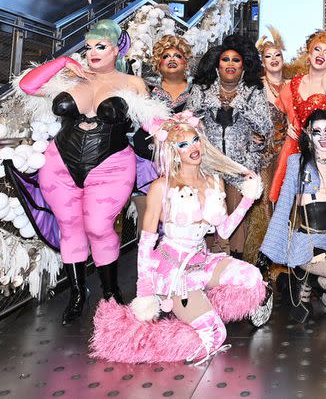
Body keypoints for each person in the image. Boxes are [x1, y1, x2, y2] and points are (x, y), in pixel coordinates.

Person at [14, 19, 169, 325]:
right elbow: (27, 85)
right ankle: (77, 292)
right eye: (87, 47)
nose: (92, 52)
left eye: (101, 46)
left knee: (98, 227)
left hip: (111, 166)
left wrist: (179, 133)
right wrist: (62, 61)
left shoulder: (132, 83)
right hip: (60, 165)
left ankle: (110, 293)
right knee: (70, 228)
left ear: (117, 49)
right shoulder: (70, 80)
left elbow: (155, 125)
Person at [91, 111, 271, 364]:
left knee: (252, 277)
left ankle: (201, 307)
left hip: (202, 261)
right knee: (214, 335)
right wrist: (145, 290)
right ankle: (160, 336)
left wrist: (248, 199)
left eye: (195, 140)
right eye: (183, 144)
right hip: (173, 271)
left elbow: (224, 231)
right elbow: (145, 243)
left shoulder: (214, 181)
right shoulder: (161, 187)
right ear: (173, 151)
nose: (192, 148)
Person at [261, 109, 326, 323]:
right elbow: (284, 206)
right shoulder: (297, 162)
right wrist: (268, 252)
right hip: (307, 243)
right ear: (308, 135)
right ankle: (307, 278)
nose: (323, 137)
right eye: (316, 132)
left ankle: (302, 282)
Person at [187, 34, 273, 260]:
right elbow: (188, 119)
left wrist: (239, 104)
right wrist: (210, 103)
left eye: (236, 60)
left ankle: (234, 267)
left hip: (239, 166)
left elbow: (265, 126)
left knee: (236, 218)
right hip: (208, 165)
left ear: (244, 65)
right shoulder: (202, 89)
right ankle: (204, 263)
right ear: (217, 65)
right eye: (225, 59)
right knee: (206, 216)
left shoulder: (254, 91)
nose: (230, 64)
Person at [269, 31, 326, 202]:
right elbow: (283, 111)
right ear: (309, 53)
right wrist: (288, 126)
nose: (321, 54)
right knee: (292, 198)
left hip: (324, 145)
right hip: (299, 144)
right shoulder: (296, 82)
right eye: (317, 49)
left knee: (321, 196)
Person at [132, 35, 193, 233]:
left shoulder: (199, 91)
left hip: (186, 166)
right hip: (148, 163)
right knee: (148, 221)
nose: (172, 59)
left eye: (178, 55)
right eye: (166, 56)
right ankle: (147, 261)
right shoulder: (145, 90)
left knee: (183, 219)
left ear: (186, 62)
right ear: (159, 63)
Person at [244, 27, 289, 267]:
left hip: (289, 154)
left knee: (286, 205)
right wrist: (251, 134)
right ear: (262, 61)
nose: (273, 60)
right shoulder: (255, 87)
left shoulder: (293, 86)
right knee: (263, 207)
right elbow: (242, 118)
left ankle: (285, 264)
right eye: (268, 56)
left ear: (284, 59)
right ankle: (261, 262)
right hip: (263, 156)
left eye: (277, 55)